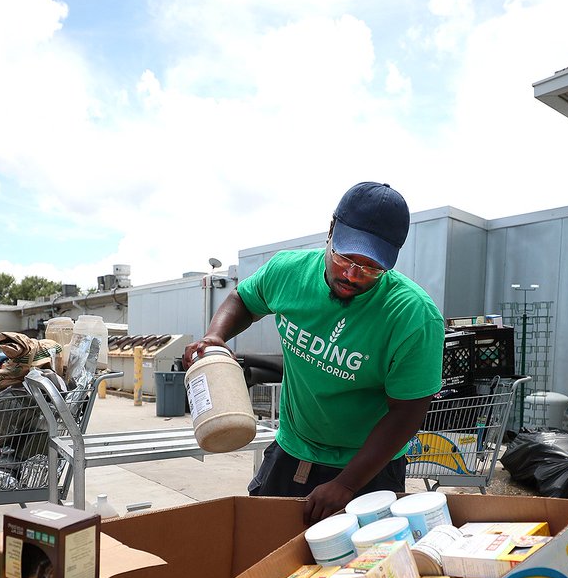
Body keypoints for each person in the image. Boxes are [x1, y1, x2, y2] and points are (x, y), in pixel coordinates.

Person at [183, 182, 444, 524]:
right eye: (345, 257)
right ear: (332, 230)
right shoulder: (288, 273)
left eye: (371, 268)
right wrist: (216, 336)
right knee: (263, 544)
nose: (352, 275)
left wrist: (347, 484)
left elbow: (407, 412)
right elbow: (244, 300)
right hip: (293, 447)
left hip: (368, 467)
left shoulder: (413, 317)